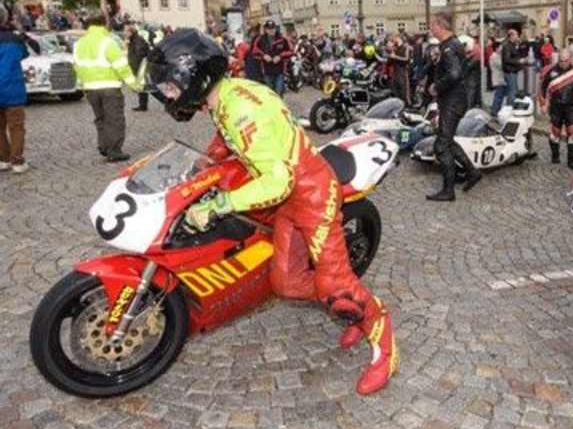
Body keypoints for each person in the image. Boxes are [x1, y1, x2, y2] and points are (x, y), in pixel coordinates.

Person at [146, 30, 395, 395]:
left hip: (309, 193)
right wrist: (208, 160)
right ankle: (351, 305)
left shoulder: (241, 109)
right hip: (289, 197)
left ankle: (380, 334)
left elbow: (277, 181)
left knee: (335, 286)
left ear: (193, 77)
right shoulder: (225, 98)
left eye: (170, 87)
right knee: (286, 283)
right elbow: (228, 137)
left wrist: (221, 205)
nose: (167, 95)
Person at [426, 13, 482, 201]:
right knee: (447, 140)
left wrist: (437, 86)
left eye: (432, 26)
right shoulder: (452, 44)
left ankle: (448, 190)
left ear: (440, 26)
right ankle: (472, 172)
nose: (430, 29)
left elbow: (455, 73)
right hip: (453, 100)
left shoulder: (450, 46)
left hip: (453, 101)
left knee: (441, 146)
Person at [74, 13, 140, 163]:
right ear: (104, 24)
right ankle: (114, 150)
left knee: (100, 118)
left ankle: (103, 146)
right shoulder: (107, 42)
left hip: (90, 88)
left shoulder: (79, 44)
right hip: (109, 87)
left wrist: (83, 84)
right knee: (114, 119)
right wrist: (134, 85)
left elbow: (77, 66)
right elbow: (121, 67)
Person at [0, 4, 36, 174]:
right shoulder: (14, 39)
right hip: (12, 89)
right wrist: (19, 32)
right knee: (16, 127)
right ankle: (17, 161)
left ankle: (3, 159)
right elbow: (26, 53)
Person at [539, 49, 573, 168]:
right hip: (555, 106)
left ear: (570, 59)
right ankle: (555, 155)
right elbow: (542, 89)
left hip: (571, 105)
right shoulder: (550, 71)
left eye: (565, 61)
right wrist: (543, 104)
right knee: (555, 133)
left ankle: (571, 160)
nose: (563, 63)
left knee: (571, 132)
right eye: (561, 60)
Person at [253, 20, 293, 95]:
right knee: (270, 93)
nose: (271, 30)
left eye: (273, 28)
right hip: (266, 70)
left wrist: (280, 56)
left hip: (280, 70)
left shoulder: (283, 39)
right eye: (269, 29)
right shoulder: (260, 39)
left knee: (279, 92)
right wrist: (263, 56)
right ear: (266, 29)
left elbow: (291, 51)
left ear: (276, 28)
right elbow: (254, 51)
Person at [491, 29, 524, 114]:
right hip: (510, 72)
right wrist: (518, 61)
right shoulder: (507, 45)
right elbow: (507, 59)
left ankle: (505, 110)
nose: (518, 36)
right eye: (516, 35)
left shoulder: (512, 45)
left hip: (511, 71)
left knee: (511, 92)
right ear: (511, 36)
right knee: (511, 92)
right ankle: (508, 111)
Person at [124, 22, 152, 111]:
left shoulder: (137, 40)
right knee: (144, 87)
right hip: (139, 67)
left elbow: (139, 54)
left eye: (125, 31)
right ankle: (143, 106)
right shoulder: (134, 39)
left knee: (147, 87)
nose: (124, 33)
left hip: (140, 67)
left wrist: (136, 68)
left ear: (130, 32)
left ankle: (167, 102)